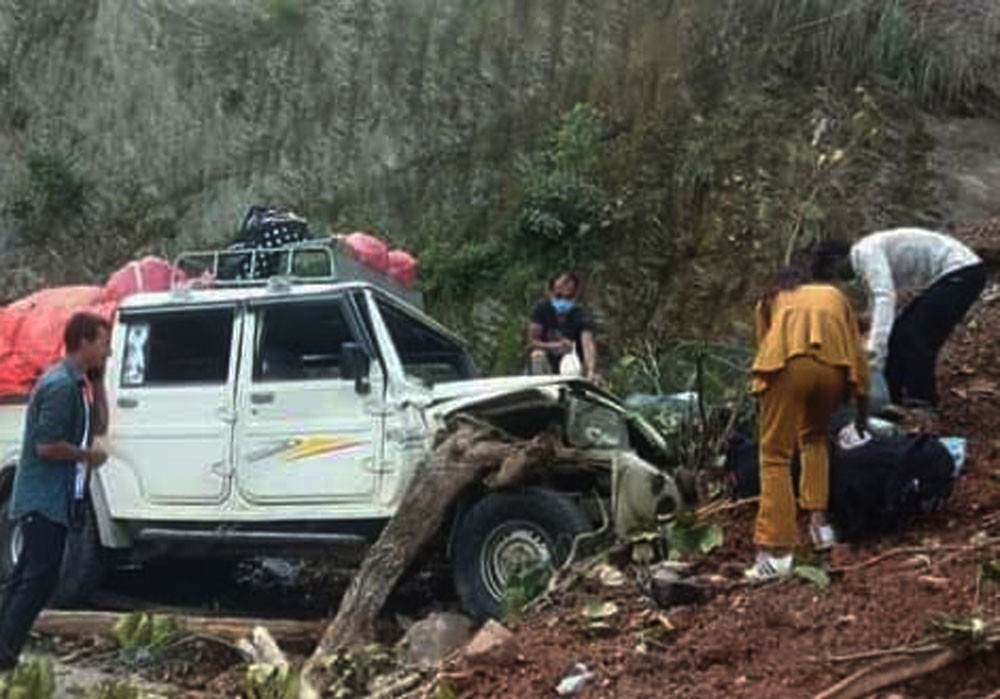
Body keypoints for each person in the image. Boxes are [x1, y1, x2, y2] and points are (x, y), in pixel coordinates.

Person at [0, 312, 111, 671]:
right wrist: (86, 456)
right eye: (103, 342)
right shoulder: (60, 386)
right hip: (42, 499)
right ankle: (5, 652)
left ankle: (5, 647)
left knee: (28, 578)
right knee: (37, 579)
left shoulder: (79, 385)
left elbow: (100, 425)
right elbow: (46, 446)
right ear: (83, 342)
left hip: (59, 499)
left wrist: (100, 383)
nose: (108, 350)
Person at [746, 268, 869, 582]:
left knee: (775, 455)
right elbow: (855, 348)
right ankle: (820, 527)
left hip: (787, 365)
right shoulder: (834, 295)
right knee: (814, 438)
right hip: (833, 370)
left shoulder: (769, 299)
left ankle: (777, 552)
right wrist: (862, 410)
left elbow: (766, 350)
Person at [811, 229, 986, 410]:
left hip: (962, 270)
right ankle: (891, 399)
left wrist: (874, 353)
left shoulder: (866, 253)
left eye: (833, 273)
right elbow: (878, 305)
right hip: (951, 275)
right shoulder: (866, 261)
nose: (838, 279)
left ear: (837, 260)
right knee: (899, 334)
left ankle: (922, 403)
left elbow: (885, 298)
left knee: (916, 336)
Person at [528, 272, 599, 380]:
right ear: (550, 293)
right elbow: (532, 341)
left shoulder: (581, 314)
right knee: (538, 355)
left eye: (568, 297)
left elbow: (588, 344)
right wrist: (555, 345)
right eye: (559, 296)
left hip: (572, 366)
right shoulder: (541, 309)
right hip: (547, 363)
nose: (563, 301)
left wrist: (591, 370)